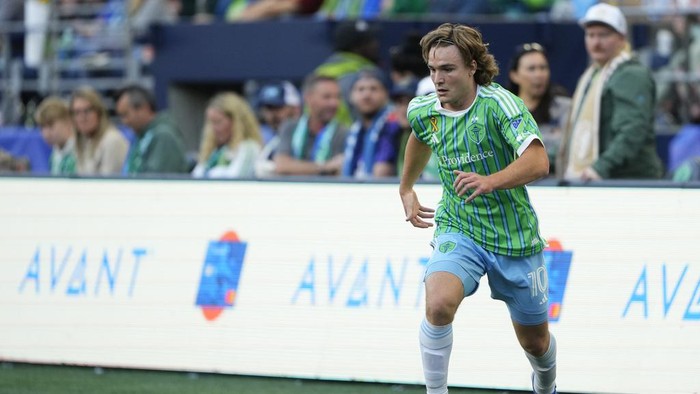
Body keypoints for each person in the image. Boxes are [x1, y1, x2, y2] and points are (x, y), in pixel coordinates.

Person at [399, 23, 556, 394]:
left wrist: (490, 180)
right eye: (432, 69)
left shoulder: (501, 104)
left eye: (448, 69)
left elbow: (538, 163)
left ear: (472, 66)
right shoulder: (423, 109)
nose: (438, 78)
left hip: (514, 237)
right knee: (438, 304)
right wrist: (406, 187)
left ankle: (546, 386)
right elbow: (420, 137)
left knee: (535, 342)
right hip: (459, 227)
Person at [557, 3, 663, 181]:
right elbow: (575, 132)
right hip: (604, 180)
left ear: (622, 38)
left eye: (604, 35)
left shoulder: (631, 74)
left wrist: (600, 167)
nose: (596, 42)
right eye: (591, 35)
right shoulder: (592, 75)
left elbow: (633, 130)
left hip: (630, 182)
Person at [507, 42, 571, 174]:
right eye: (531, 69)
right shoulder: (504, 111)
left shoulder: (566, 108)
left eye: (543, 68)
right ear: (515, 75)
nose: (539, 74)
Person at [274, 74, 347, 176]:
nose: (334, 103)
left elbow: (339, 170)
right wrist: (325, 167)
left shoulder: (345, 133)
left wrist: (297, 167)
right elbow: (282, 166)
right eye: (327, 97)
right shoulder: (290, 127)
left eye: (337, 97)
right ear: (308, 98)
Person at [313, 20, 381, 126]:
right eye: (369, 41)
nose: (375, 44)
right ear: (357, 47)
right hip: (350, 137)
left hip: (321, 139)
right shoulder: (367, 75)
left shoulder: (319, 72)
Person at [115, 84, 189, 175]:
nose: (124, 122)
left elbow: (154, 183)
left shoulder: (164, 136)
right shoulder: (142, 136)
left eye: (126, 115)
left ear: (144, 108)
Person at [342, 69, 402, 178]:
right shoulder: (354, 131)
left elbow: (382, 172)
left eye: (373, 89)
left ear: (386, 94)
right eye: (360, 89)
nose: (366, 95)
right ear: (351, 96)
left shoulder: (394, 125)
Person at [192, 92, 263, 178]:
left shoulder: (249, 148)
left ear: (236, 123)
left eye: (218, 122)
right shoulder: (215, 151)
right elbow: (196, 176)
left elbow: (236, 179)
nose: (213, 129)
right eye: (211, 122)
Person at [69, 86, 129, 175]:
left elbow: (107, 184)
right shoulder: (82, 142)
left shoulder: (112, 140)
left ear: (99, 112)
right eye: (77, 113)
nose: (81, 118)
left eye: (87, 111)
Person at [254, 80, 302, 178]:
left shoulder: (305, 136)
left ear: (296, 109)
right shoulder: (263, 137)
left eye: (278, 108)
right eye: (268, 109)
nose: (273, 115)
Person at [35, 96, 77, 176]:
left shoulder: (79, 153)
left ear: (68, 122)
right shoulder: (54, 155)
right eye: (42, 127)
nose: (46, 133)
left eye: (50, 126)